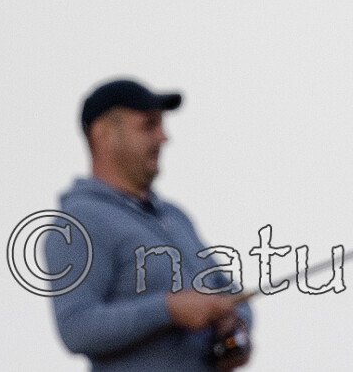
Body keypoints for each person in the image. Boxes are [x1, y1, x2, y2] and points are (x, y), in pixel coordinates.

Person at [45, 78, 253, 370]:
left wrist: (235, 327)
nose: (163, 137)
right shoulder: (79, 223)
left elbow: (230, 293)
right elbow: (76, 327)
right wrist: (169, 309)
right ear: (103, 134)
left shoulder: (175, 217)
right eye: (148, 126)